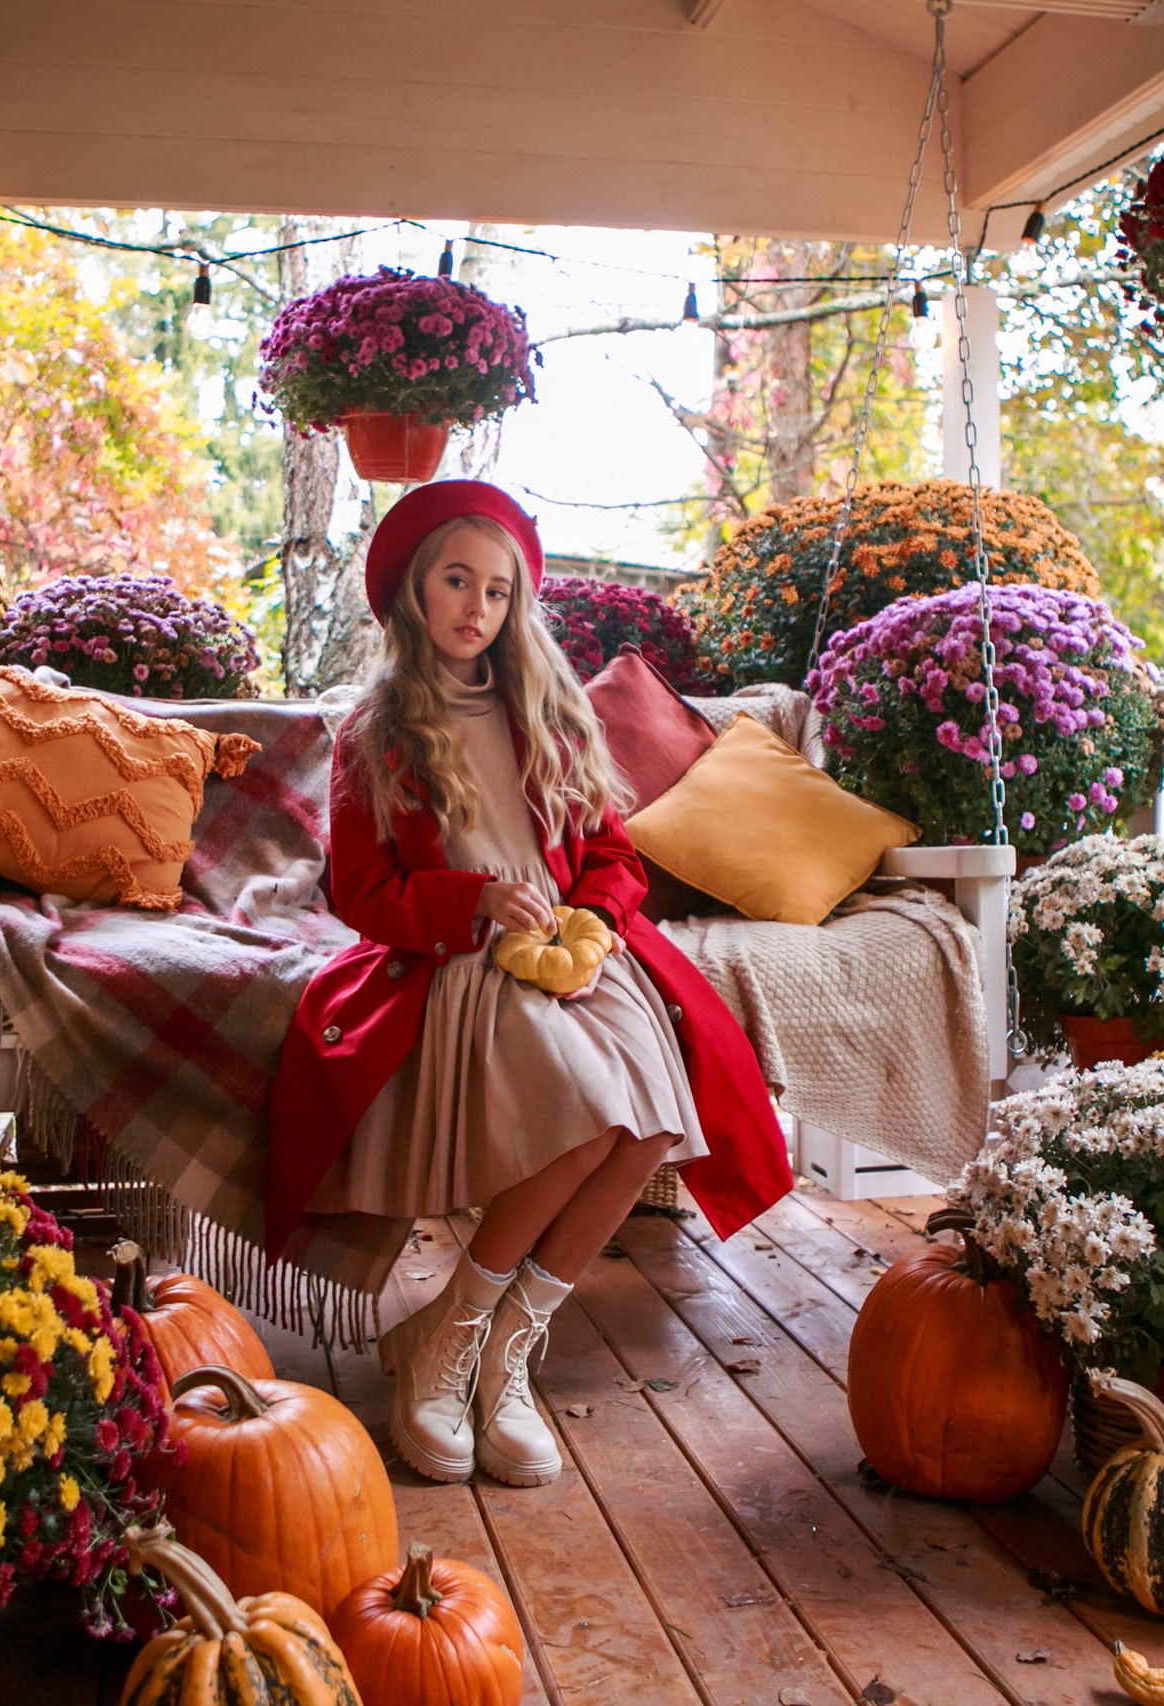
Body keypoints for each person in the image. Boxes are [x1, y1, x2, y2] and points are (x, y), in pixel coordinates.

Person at [266, 480, 790, 1487]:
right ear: (414, 590)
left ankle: (500, 1347)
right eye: (456, 579)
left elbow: (613, 853)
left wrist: (592, 913)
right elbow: (364, 891)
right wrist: (469, 900)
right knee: (593, 1107)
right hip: (461, 958)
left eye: (498, 589)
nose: (477, 605)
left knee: (647, 1120)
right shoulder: (373, 731)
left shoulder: (549, 712)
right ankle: (450, 1331)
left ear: (517, 606)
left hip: (579, 949)